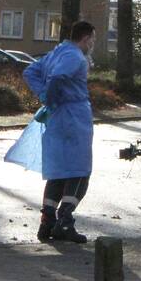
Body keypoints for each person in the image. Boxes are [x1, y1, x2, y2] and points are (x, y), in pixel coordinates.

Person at [22, 21, 96, 244]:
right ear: (85, 39)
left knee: (58, 171)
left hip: (56, 118)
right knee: (80, 171)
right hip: (73, 118)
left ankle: (47, 222)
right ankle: (65, 221)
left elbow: (30, 71)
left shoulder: (56, 53)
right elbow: (58, 78)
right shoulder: (75, 57)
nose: (93, 43)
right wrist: (51, 97)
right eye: (92, 39)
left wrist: (44, 96)